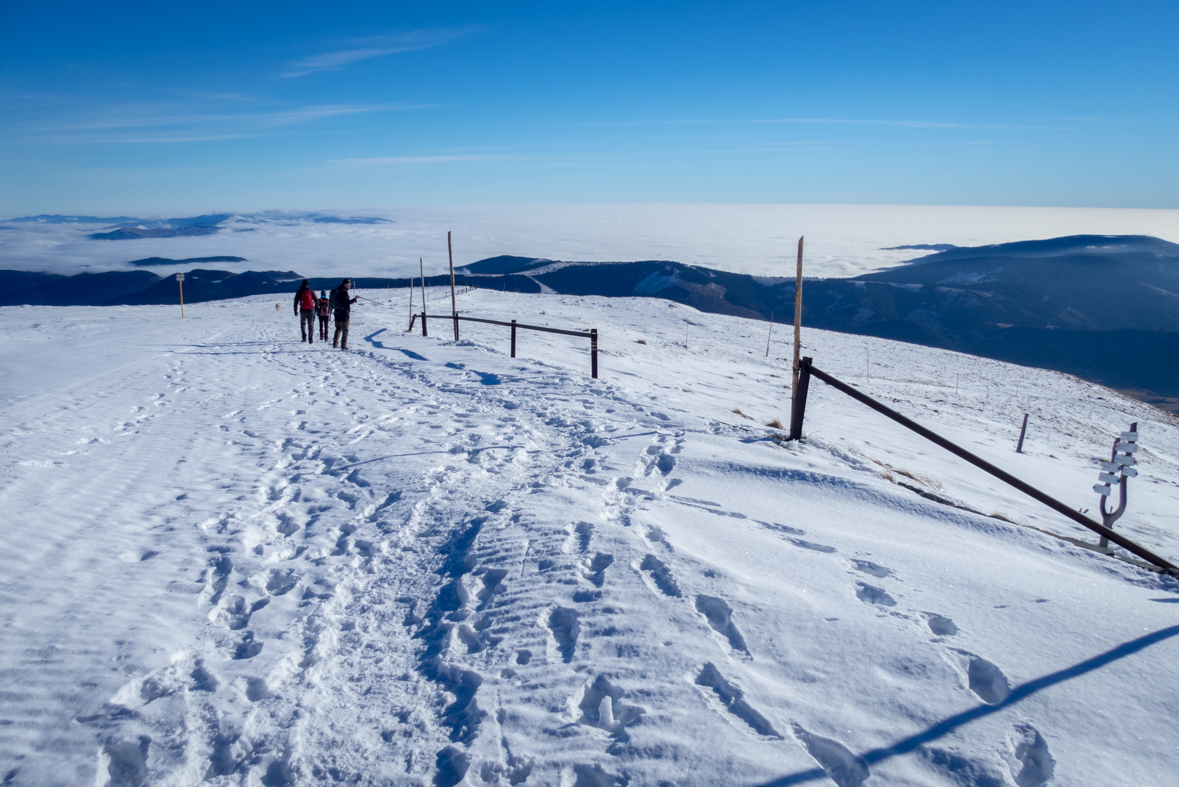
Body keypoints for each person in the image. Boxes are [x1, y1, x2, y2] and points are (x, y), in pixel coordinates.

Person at [332, 278, 358, 350]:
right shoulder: (344, 292)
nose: (349, 285)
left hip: (337, 313)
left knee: (338, 328)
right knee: (345, 330)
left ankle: (335, 344)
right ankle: (343, 346)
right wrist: (354, 300)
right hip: (344, 314)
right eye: (348, 284)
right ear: (345, 284)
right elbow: (345, 303)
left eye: (350, 284)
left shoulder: (338, 291)